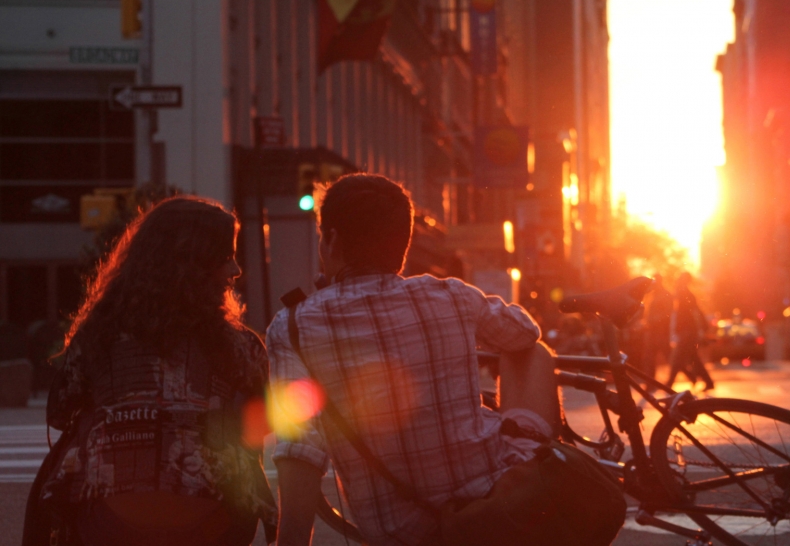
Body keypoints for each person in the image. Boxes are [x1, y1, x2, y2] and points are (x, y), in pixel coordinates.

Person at [267, 173, 561, 546]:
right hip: (496, 494)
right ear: (402, 245)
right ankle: (550, 461)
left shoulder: (293, 326)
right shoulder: (450, 294)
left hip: (399, 530)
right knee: (535, 353)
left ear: (333, 239)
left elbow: (299, 447)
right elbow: (525, 333)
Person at [35, 197, 277, 546]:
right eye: (225, 258)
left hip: (109, 523)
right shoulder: (241, 346)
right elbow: (263, 424)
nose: (235, 271)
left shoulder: (97, 336)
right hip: (213, 526)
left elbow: (60, 413)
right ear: (192, 265)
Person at [666, 271, 715, 392]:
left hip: (687, 333)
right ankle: (707, 381)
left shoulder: (685, 294)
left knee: (678, 359)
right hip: (687, 332)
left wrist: (702, 326)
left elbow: (694, 312)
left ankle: (669, 384)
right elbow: (696, 311)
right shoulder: (685, 294)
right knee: (693, 359)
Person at [639, 274, 673, 383]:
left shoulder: (665, 295)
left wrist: (654, 319)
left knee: (670, 357)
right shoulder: (652, 295)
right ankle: (650, 383)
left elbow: (668, 313)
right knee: (649, 358)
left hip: (661, 331)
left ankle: (690, 375)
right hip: (652, 331)